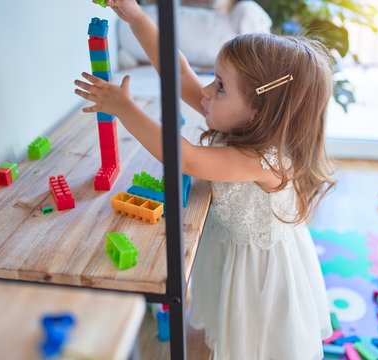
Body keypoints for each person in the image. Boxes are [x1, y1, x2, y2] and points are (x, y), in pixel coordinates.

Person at [74, 1, 336, 358]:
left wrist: (125, 109)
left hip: (259, 276)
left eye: (221, 86)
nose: (207, 92)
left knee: (255, 345)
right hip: (232, 252)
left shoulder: (266, 159)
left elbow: (189, 158)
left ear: (259, 112)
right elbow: (180, 73)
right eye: (214, 79)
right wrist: (135, 17)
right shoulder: (241, 120)